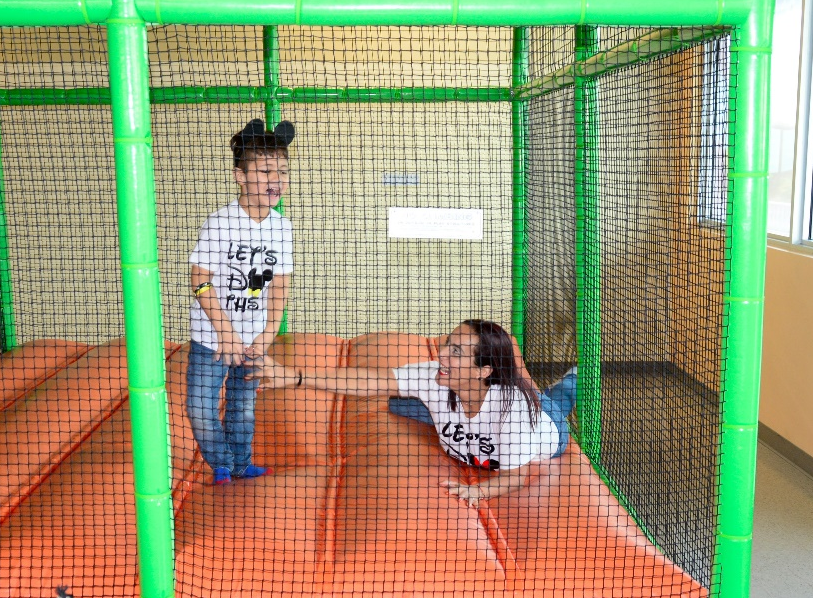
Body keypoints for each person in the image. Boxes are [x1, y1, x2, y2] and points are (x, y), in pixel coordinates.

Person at [257, 319, 577, 504]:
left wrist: (477, 491)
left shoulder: (513, 416)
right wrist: (296, 377)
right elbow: (370, 380)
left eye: (456, 352)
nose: (441, 356)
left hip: (547, 430)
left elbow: (516, 477)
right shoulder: (433, 376)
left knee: (555, 405)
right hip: (470, 406)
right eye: (446, 345)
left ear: (482, 370)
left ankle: (573, 379)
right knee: (396, 400)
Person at [188, 118, 295, 485]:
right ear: (240, 176)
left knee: (243, 408)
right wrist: (226, 334)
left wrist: (268, 332)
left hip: (253, 338)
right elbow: (199, 281)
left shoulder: (282, 227)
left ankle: (239, 464)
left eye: (282, 171)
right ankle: (222, 462)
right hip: (213, 338)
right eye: (265, 170)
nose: (276, 179)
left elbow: (280, 283)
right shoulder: (220, 224)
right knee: (200, 407)